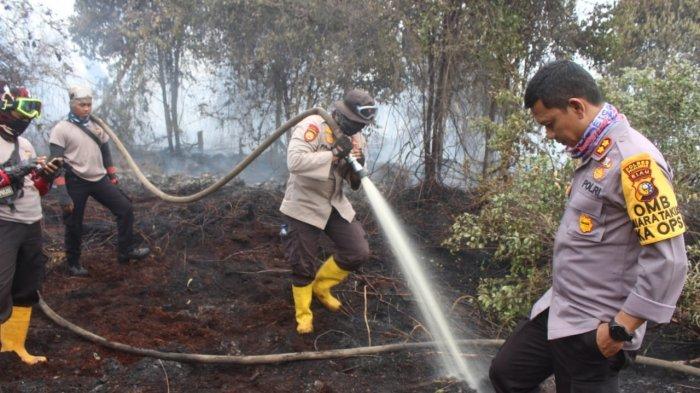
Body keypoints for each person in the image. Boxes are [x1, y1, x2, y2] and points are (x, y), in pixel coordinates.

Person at [489, 60, 688, 392]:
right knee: (508, 373)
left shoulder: (635, 162)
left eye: (550, 124)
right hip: (561, 308)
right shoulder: (595, 154)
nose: (549, 135)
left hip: (597, 328)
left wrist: (620, 330)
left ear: (577, 107)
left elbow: (670, 260)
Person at [280, 89, 377, 334]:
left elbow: (352, 180)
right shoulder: (312, 126)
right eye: (357, 124)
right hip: (303, 204)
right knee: (303, 264)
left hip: (334, 202)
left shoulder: (356, 138)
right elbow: (295, 162)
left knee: (358, 251)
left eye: (363, 126)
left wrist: (358, 162)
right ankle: (303, 314)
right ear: (343, 115)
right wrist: (334, 154)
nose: (360, 130)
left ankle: (321, 287)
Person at [49, 86, 149, 277]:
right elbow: (56, 163)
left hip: (99, 177)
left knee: (125, 208)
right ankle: (73, 263)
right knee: (74, 222)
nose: (87, 109)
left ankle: (125, 251)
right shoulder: (61, 129)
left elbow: (105, 151)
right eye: (82, 105)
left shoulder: (96, 126)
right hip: (75, 179)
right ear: (72, 105)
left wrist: (112, 175)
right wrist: (63, 193)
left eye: (89, 104)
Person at [0, 82, 60, 364]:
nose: (25, 120)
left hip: (31, 221)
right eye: (21, 113)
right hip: (5, 224)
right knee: (1, 288)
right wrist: (15, 171)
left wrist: (45, 176)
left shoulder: (23, 144)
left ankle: (14, 347)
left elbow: (35, 188)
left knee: (26, 287)